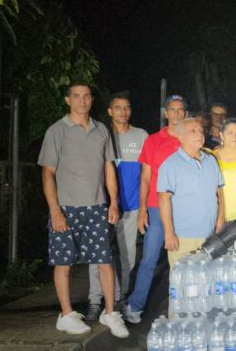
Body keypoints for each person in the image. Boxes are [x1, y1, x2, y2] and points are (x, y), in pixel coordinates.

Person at [38, 82, 129, 338]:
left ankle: (110, 312)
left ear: (91, 100)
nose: (82, 100)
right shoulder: (57, 131)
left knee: (104, 261)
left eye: (87, 96)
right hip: (66, 207)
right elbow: (48, 173)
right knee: (63, 261)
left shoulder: (101, 130)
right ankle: (66, 315)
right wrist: (55, 211)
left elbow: (108, 167)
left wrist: (113, 202)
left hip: (97, 207)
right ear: (68, 100)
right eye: (76, 96)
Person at [85, 92, 148, 320]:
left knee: (127, 255)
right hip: (101, 206)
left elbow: (147, 174)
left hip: (130, 208)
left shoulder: (141, 136)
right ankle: (95, 300)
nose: (123, 112)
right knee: (97, 255)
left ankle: (119, 300)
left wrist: (143, 206)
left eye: (127, 108)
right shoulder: (100, 134)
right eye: (118, 108)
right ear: (110, 111)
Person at [124, 95, 186, 324]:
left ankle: (182, 308)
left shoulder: (190, 139)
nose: (177, 114)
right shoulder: (153, 140)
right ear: (166, 113)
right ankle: (135, 306)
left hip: (183, 208)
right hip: (155, 207)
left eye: (181, 110)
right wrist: (142, 210)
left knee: (183, 260)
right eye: (172, 109)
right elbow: (146, 178)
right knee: (149, 258)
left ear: (185, 113)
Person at [158, 118, 225, 265]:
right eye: (192, 131)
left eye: (201, 131)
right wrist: (169, 233)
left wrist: (220, 222)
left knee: (207, 281)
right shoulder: (170, 165)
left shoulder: (211, 161)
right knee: (181, 283)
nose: (199, 135)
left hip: (210, 236)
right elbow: (163, 199)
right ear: (180, 137)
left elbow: (220, 193)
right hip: (183, 237)